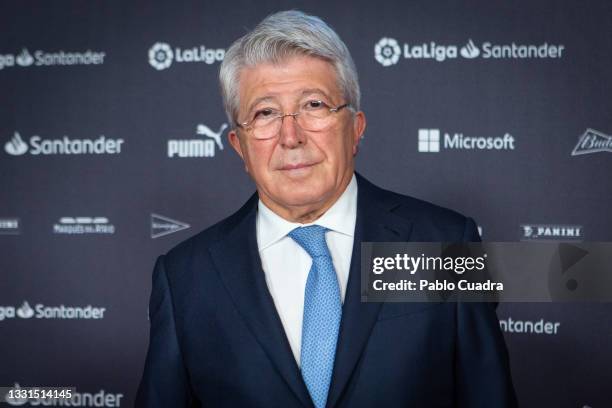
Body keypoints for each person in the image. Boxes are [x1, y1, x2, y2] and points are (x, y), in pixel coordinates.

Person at [135, 10, 517, 408]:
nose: (290, 136)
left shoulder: (446, 243)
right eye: (265, 113)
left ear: (356, 127)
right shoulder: (185, 278)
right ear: (238, 145)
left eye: (314, 105)